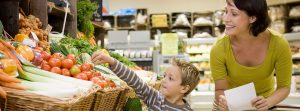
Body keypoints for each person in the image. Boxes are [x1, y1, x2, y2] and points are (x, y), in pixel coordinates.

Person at [210, 0, 292, 111]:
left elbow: (284, 87)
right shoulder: (219, 48)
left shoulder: (279, 44)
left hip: (266, 104)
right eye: (225, 11)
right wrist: (224, 101)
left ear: (252, 18)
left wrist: (268, 103)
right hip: (231, 106)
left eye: (234, 13)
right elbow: (220, 89)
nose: (225, 18)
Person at [92, 52, 200, 111]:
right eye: (164, 76)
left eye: (170, 78)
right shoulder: (155, 98)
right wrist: (112, 61)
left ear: (184, 88)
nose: (163, 80)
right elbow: (135, 80)